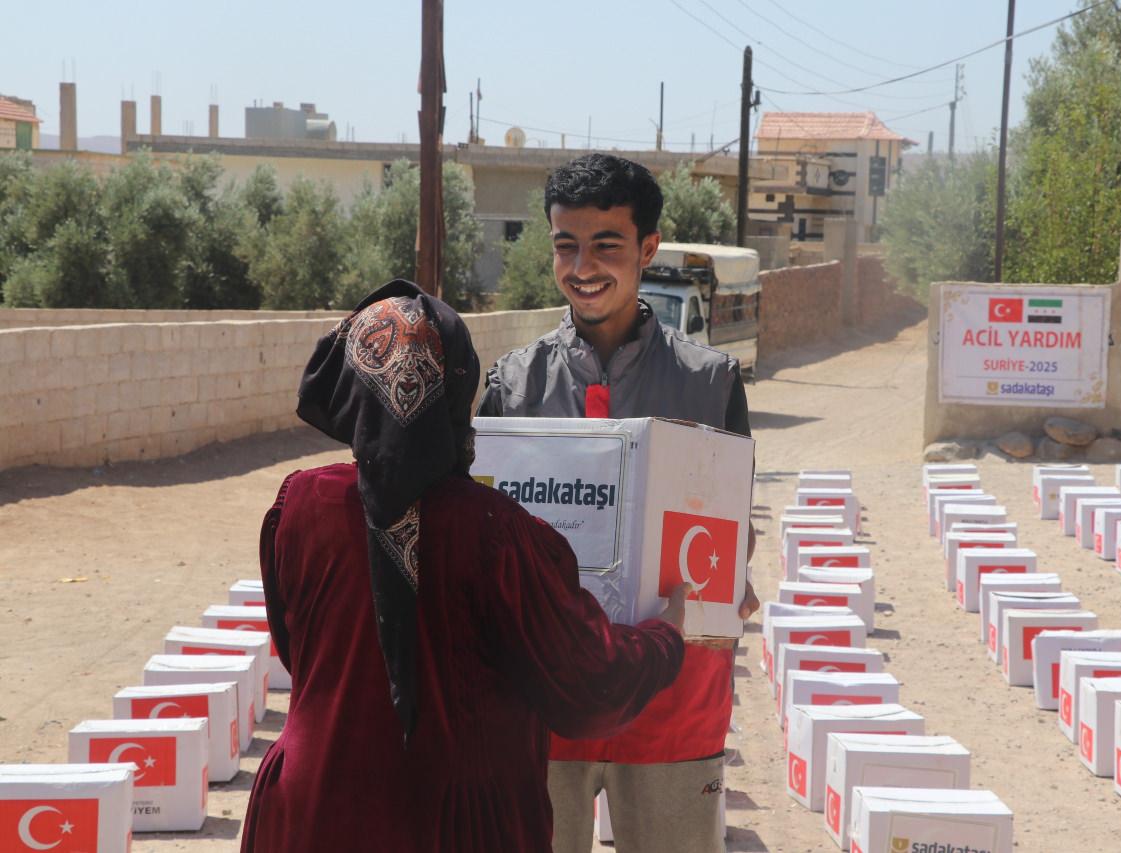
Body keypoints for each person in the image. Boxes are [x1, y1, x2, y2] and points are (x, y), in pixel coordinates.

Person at [240, 280, 689, 853]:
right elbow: (588, 686)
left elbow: (297, 651)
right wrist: (665, 637)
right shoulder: (499, 534)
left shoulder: (301, 505)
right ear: (456, 392)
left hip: (310, 811)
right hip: (456, 823)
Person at [478, 153, 759, 853]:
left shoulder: (711, 382)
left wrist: (735, 577)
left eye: (606, 244)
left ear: (648, 248)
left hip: (673, 701)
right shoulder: (511, 387)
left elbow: (731, 531)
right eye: (565, 245)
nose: (583, 266)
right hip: (543, 702)